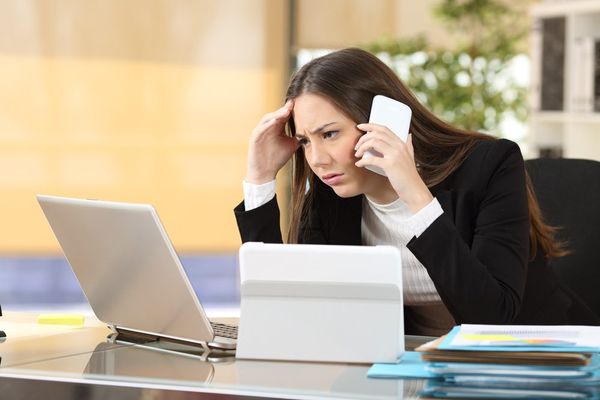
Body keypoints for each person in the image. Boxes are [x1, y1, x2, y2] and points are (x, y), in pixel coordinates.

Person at [234, 48, 600, 335]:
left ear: (380, 120)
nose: (316, 159)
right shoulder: (334, 195)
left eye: (329, 134)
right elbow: (288, 315)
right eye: (304, 141)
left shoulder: (489, 166)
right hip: (411, 369)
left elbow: (492, 316)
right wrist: (260, 178)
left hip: (534, 362)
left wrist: (413, 193)